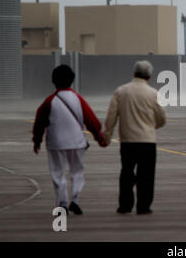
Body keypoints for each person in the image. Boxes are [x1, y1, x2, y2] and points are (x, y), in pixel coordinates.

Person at [32, 64, 106, 215]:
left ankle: (62, 202)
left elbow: (40, 121)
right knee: (77, 171)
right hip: (76, 141)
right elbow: (91, 120)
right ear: (72, 80)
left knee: (58, 173)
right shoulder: (78, 99)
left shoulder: (50, 101)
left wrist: (37, 140)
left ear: (54, 81)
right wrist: (99, 137)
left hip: (56, 142)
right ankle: (76, 199)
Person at [103, 60, 166, 215]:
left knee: (126, 173)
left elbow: (111, 116)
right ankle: (143, 206)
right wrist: (153, 127)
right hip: (148, 141)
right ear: (149, 76)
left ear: (134, 73)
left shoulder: (121, 91)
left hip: (128, 141)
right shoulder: (154, 93)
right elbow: (162, 118)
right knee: (147, 176)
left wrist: (107, 135)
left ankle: (125, 205)